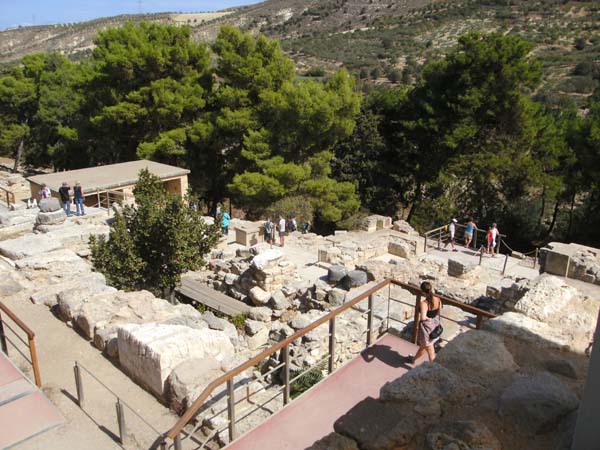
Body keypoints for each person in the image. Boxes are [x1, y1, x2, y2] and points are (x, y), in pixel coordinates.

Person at [408, 281, 442, 364]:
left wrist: (428, 318)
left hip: (427, 330)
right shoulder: (438, 299)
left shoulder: (424, 303)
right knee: (424, 347)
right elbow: (439, 310)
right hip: (435, 326)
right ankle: (413, 359)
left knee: (431, 351)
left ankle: (433, 370)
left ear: (422, 291)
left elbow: (423, 317)